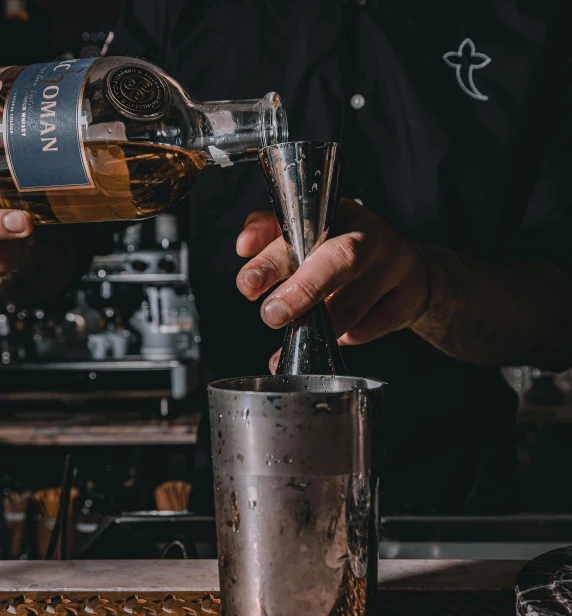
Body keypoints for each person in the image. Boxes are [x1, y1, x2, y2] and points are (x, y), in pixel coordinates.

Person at [2, 0, 572, 515]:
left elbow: (559, 313)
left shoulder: (532, 18)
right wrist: (15, 253)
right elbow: (63, 240)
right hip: (240, 483)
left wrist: (428, 283)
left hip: (454, 502)